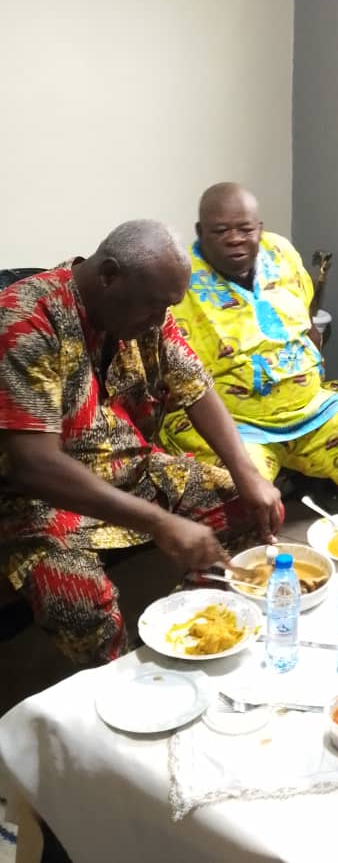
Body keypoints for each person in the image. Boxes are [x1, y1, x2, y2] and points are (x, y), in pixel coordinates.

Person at [0, 220, 283, 665]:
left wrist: (246, 474)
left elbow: (196, 388)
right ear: (109, 275)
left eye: (167, 307)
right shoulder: (25, 318)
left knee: (251, 505)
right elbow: (33, 465)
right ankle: (119, 677)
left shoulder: (148, 311)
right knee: (78, 596)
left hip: (133, 469)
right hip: (43, 501)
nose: (159, 318)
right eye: (154, 305)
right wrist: (160, 522)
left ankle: (192, 626)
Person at [159, 183, 338, 490]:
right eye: (220, 231)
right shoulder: (180, 278)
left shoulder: (280, 252)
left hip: (309, 412)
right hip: (235, 426)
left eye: (245, 229)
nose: (234, 239)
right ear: (200, 231)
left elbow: (308, 320)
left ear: (259, 228)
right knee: (239, 483)